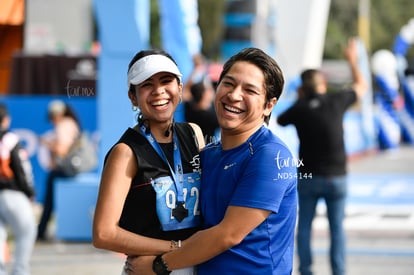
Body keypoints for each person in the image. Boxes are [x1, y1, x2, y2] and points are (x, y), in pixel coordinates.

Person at [126, 47, 298, 275]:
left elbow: (228, 234)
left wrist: (159, 265)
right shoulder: (208, 154)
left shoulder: (271, 156)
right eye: (228, 83)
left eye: (250, 90)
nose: (234, 95)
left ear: (269, 105)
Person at [92, 49, 205, 274]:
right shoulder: (125, 152)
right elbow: (103, 233)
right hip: (152, 268)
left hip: (199, 264)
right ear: (133, 97)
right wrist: (177, 248)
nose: (159, 91)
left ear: (180, 88)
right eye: (146, 85)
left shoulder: (194, 133)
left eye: (166, 81)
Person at [277, 38, 368, 275]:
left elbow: (279, 119)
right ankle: (339, 271)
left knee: (304, 226)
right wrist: (352, 61)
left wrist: (300, 99)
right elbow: (361, 85)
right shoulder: (337, 100)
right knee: (336, 228)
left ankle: (306, 270)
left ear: (303, 88)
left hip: (308, 177)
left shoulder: (299, 108)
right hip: (337, 176)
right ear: (323, 85)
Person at [0, 103, 37, 274]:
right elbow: (21, 167)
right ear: (5, 120)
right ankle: (20, 271)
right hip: (11, 193)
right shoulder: (10, 138)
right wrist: (29, 191)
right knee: (27, 230)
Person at [37, 100, 81, 241]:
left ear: (57, 115)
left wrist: (47, 143)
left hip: (63, 169)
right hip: (69, 169)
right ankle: (42, 230)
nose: (51, 121)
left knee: (48, 201)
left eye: (52, 117)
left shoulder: (63, 126)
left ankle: (41, 231)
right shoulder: (71, 123)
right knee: (50, 200)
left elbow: (61, 151)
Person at [184, 76, 219, 142]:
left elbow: (186, 91)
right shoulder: (211, 117)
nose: (213, 91)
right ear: (204, 95)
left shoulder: (189, 106)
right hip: (206, 147)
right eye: (210, 90)